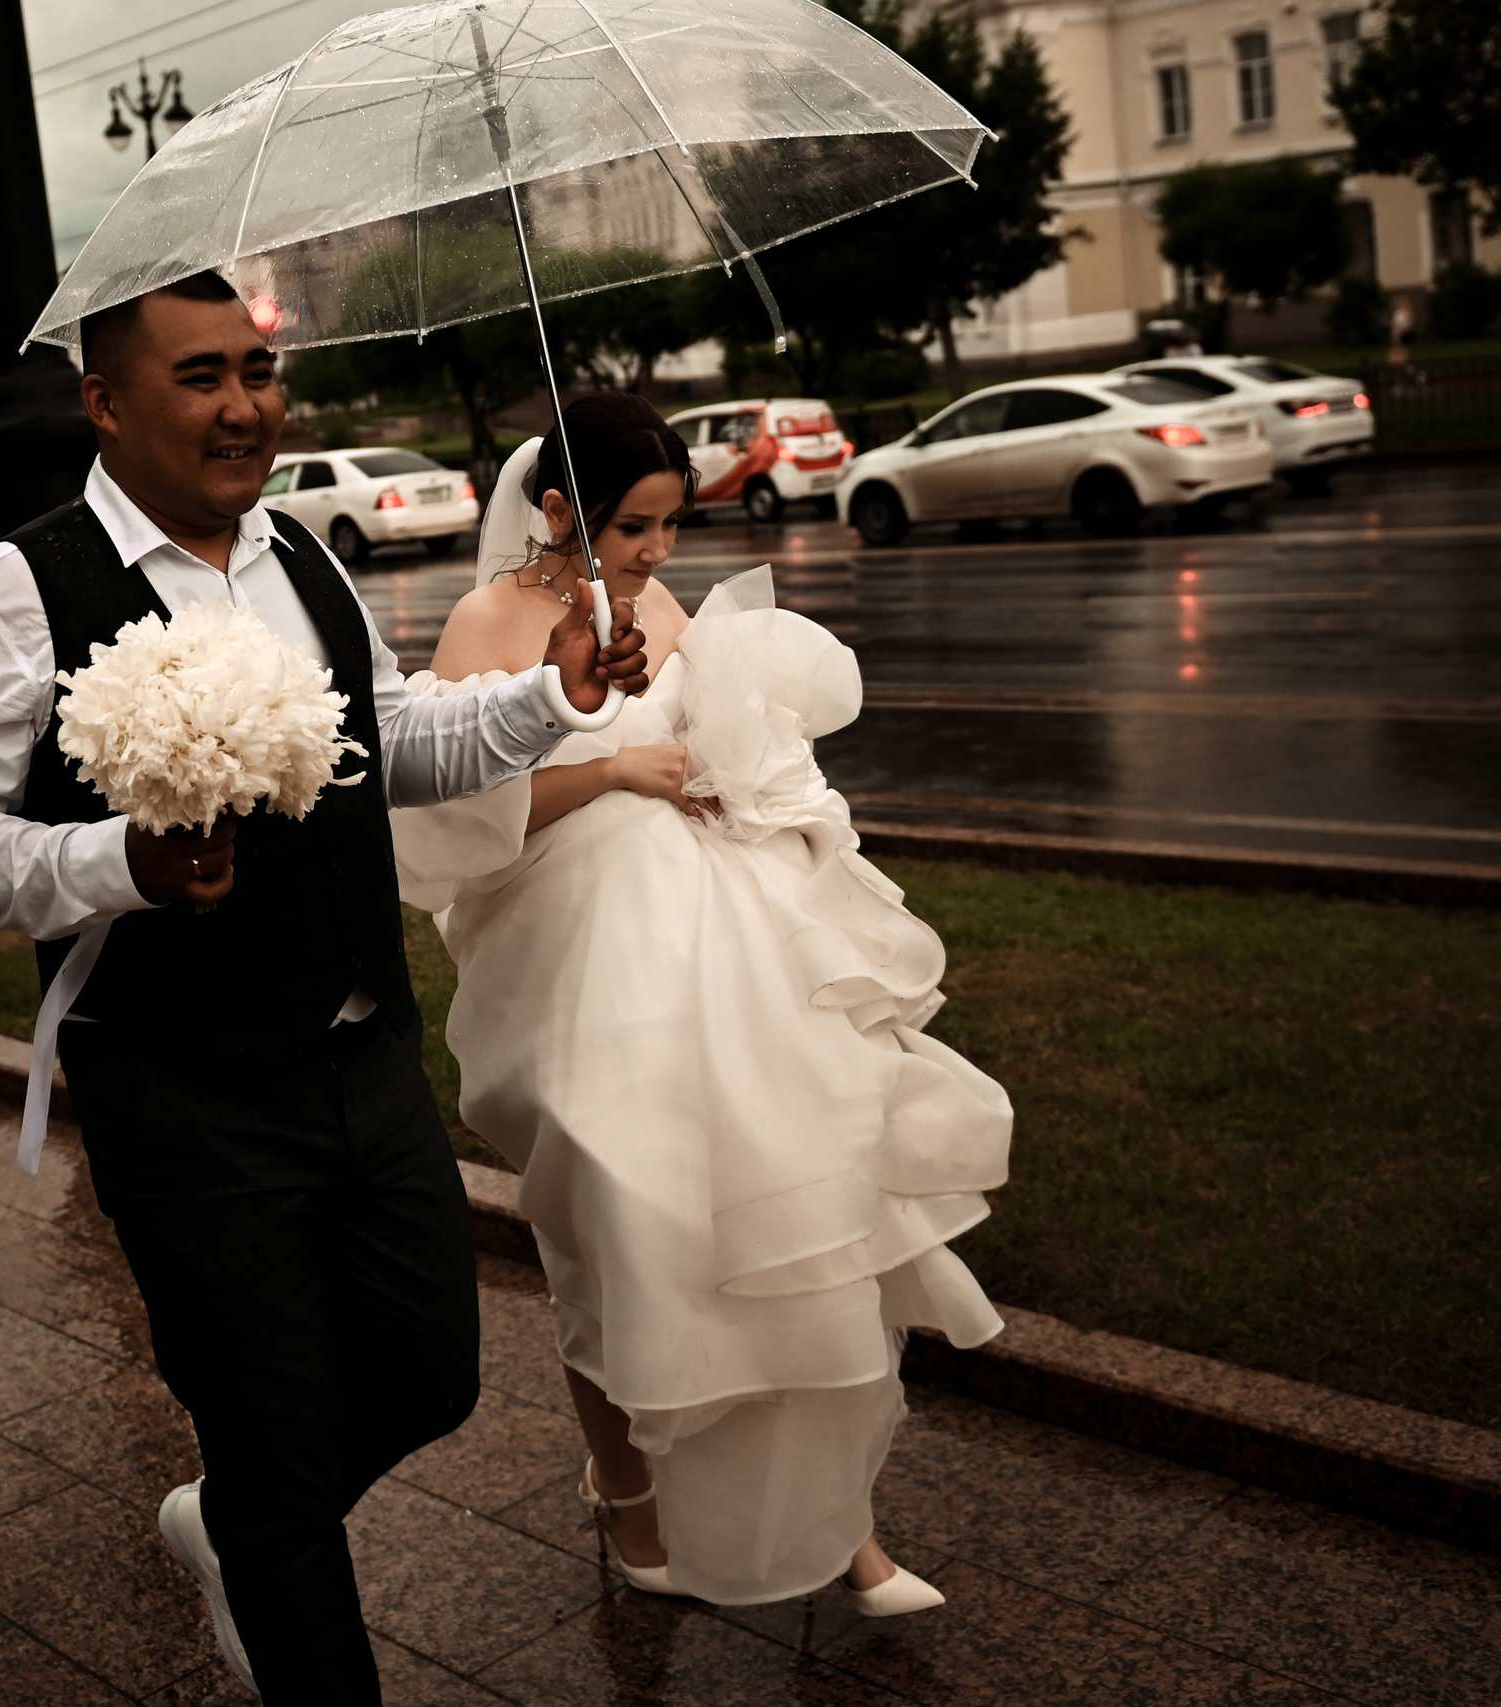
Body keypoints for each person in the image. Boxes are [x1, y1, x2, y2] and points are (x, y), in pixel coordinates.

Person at [0, 270, 648, 1707]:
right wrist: (122, 860)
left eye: (259, 370)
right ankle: (271, 1535)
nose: (247, 406)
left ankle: (231, 1514)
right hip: (183, 1088)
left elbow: (393, 737)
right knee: (282, 1440)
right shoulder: (12, 590)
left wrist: (554, 698)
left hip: (363, 1054)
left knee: (431, 1375)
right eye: (201, 376)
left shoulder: (300, 554)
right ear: (105, 403)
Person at [398, 392, 1013, 1612]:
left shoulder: (659, 605)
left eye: (674, 525)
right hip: (574, 964)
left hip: (720, 943)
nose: (657, 554)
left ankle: (839, 1527)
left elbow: (709, 739)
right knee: (622, 1231)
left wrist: (732, 775)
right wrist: (613, 764)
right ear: (561, 507)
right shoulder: (487, 619)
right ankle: (624, 1490)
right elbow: (456, 815)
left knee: (793, 1205)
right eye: (634, 526)